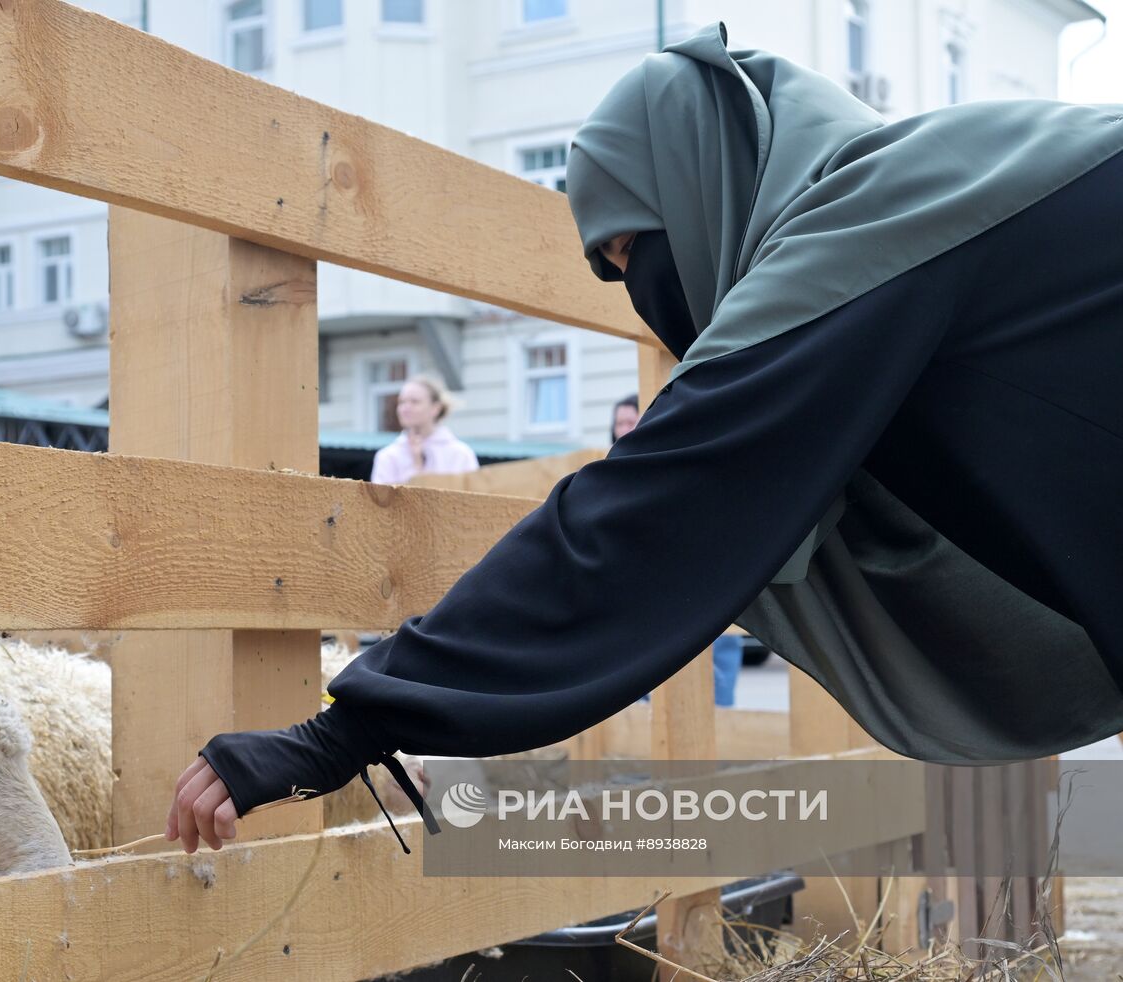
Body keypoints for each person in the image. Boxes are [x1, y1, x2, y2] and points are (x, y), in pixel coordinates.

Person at [168, 21, 1123, 856]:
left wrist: (352, 726)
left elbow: (660, 505)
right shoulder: (933, 200)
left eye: (638, 246)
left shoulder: (883, 217)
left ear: (709, 181)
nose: (648, 292)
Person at [369, 375, 479, 485]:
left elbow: (472, 499)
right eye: (402, 402)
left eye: (415, 402)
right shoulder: (387, 457)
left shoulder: (461, 455)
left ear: (436, 408)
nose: (405, 408)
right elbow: (381, 500)